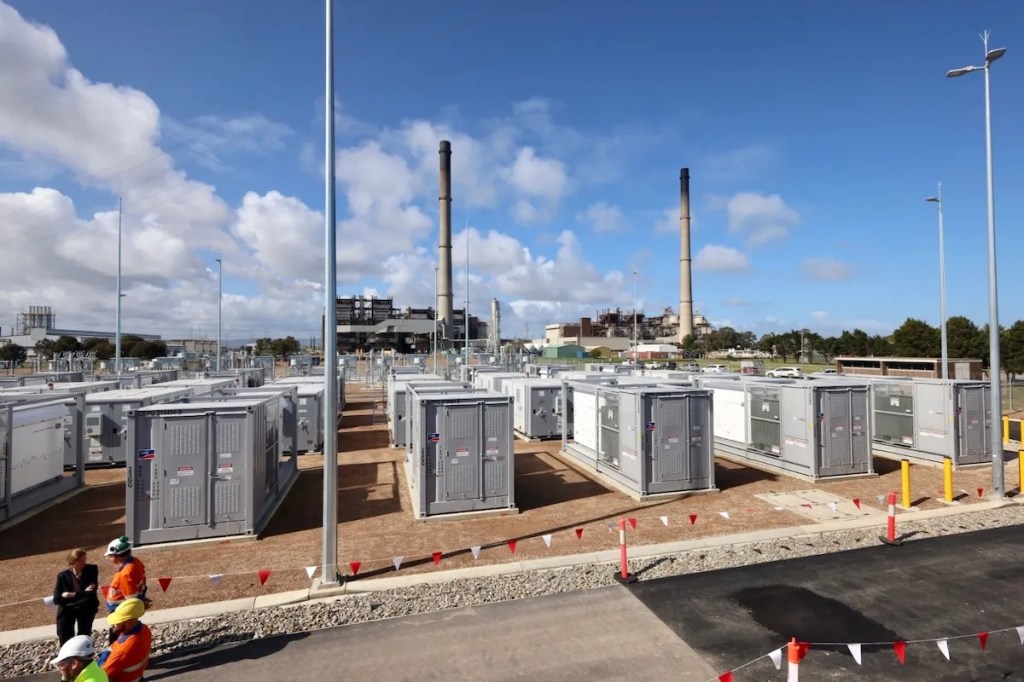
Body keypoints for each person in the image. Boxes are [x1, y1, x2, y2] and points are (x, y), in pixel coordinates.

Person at [53, 548, 100, 645]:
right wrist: (82, 593)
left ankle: (83, 656)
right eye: (81, 561)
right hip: (68, 608)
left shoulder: (91, 570)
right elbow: (57, 599)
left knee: (84, 635)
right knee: (64, 634)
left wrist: (70, 594)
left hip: (86, 608)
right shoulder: (62, 576)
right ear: (73, 562)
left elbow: (91, 592)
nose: (84, 563)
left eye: (84, 560)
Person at [98, 598, 151, 682]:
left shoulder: (124, 649)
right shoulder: (144, 629)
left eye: (118, 622)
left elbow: (102, 675)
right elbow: (115, 645)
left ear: (129, 622)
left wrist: (102, 659)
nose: (114, 625)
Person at [103, 536, 150, 611]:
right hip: (130, 602)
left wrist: (140, 604)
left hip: (120, 607)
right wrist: (142, 599)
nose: (109, 558)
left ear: (116, 556)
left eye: (110, 556)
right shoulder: (136, 561)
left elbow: (130, 597)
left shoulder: (126, 573)